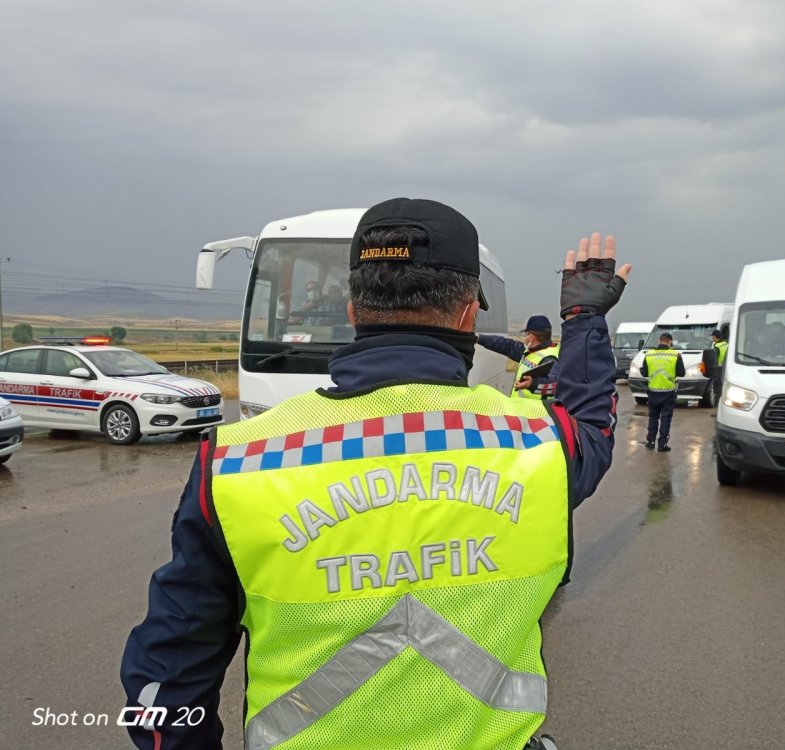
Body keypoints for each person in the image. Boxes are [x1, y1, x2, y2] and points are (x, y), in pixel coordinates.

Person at [121, 197, 632, 750]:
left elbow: (169, 674)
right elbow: (592, 426)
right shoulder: (538, 445)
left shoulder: (238, 461)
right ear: (467, 315)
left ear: (352, 311)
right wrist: (583, 324)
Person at [477, 314, 560, 399]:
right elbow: (506, 345)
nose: (524, 337)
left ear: (531, 337)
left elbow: (555, 384)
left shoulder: (550, 358)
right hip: (520, 408)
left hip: (534, 411)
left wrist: (532, 384)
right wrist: (478, 338)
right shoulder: (529, 351)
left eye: (525, 334)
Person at [640, 332, 685, 452]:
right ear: (670, 342)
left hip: (653, 391)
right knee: (666, 418)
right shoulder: (675, 355)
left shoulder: (648, 355)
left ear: (659, 341)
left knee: (653, 417)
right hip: (668, 392)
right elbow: (682, 373)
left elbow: (644, 373)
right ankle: (662, 445)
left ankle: (650, 441)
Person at [710, 328, 728, 402]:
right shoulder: (726, 344)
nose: (712, 338)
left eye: (712, 336)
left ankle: (718, 406)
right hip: (726, 368)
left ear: (714, 337)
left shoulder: (717, 347)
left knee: (717, 389)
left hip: (718, 370)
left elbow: (714, 360)